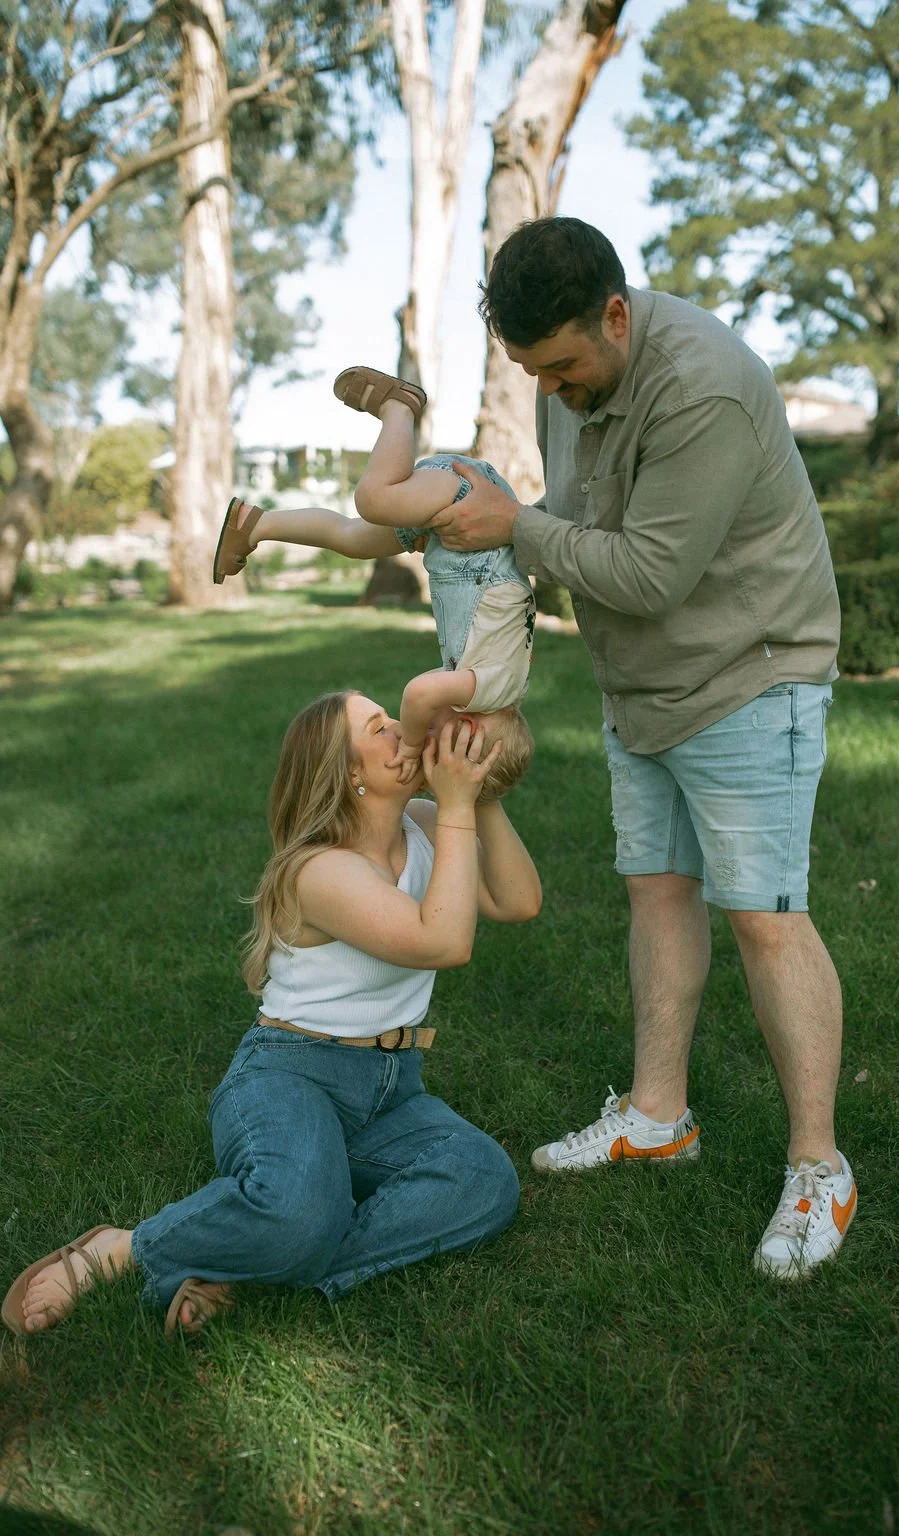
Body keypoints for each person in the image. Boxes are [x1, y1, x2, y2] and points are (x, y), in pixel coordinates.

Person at [424, 216, 855, 1280]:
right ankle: (658, 1114)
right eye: (536, 374)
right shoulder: (559, 371)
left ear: (614, 315)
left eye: (566, 368)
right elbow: (579, 525)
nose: (556, 393)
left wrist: (513, 529)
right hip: (645, 688)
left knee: (762, 915)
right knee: (658, 892)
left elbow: (648, 573)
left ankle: (818, 1168)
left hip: (750, 675)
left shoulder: (700, 384)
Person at [2, 691, 540, 1338]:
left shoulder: (426, 824)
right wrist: (455, 807)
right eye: (380, 728)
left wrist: (479, 797)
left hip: (393, 1089)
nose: (406, 730)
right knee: (295, 1212)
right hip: (291, 1078)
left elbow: (518, 902)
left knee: (483, 1180)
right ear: (349, 774)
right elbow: (444, 942)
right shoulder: (318, 871)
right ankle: (126, 1247)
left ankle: (254, 1267)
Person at [213, 366, 536, 800]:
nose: (424, 747)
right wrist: (412, 745)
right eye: (439, 749)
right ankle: (399, 406)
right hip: (467, 503)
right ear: (468, 730)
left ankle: (254, 524)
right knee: (373, 500)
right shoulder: (487, 691)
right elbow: (418, 694)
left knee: (352, 538)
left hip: (450, 531)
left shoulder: (496, 684)